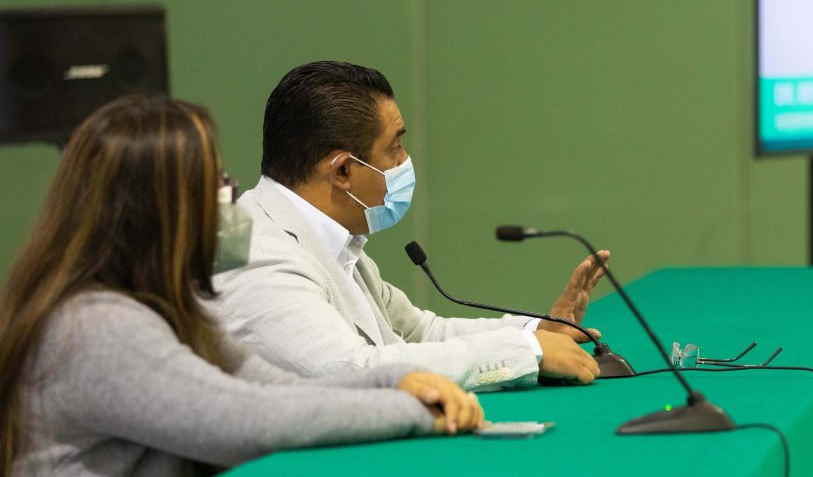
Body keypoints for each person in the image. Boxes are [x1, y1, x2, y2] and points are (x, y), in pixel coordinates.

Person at [0, 95, 483, 476]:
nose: (233, 194)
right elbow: (251, 424)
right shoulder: (97, 327)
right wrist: (421, 412)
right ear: (164, 212)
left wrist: (396, 381)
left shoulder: (158, 312)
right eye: (215, 180)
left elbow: (277, 390)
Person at [212, 61, 604, 391]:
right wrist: (526, 354)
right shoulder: (252, 254)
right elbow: (353, 371)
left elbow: (419, 333)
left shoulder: (332, 240)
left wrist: (539, 330)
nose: (405, 160)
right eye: (394, 147)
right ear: (343, 171)